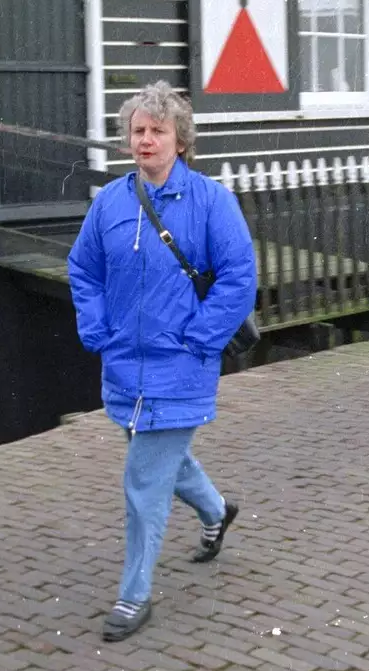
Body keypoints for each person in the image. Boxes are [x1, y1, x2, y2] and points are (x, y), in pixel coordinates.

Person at [67, 81, 257, 642]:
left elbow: (238, 278)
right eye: (138, 131)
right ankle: (217, 511)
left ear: (180, 139)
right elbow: (84, 269)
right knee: (159, 459)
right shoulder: (110, 202)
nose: (146, 140)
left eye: (158, 130)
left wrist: (199, 338)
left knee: (143, 478)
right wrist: (96, 327)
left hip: (181, 363)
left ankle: (134, 594)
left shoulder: (211, 201)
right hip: (124, 364)